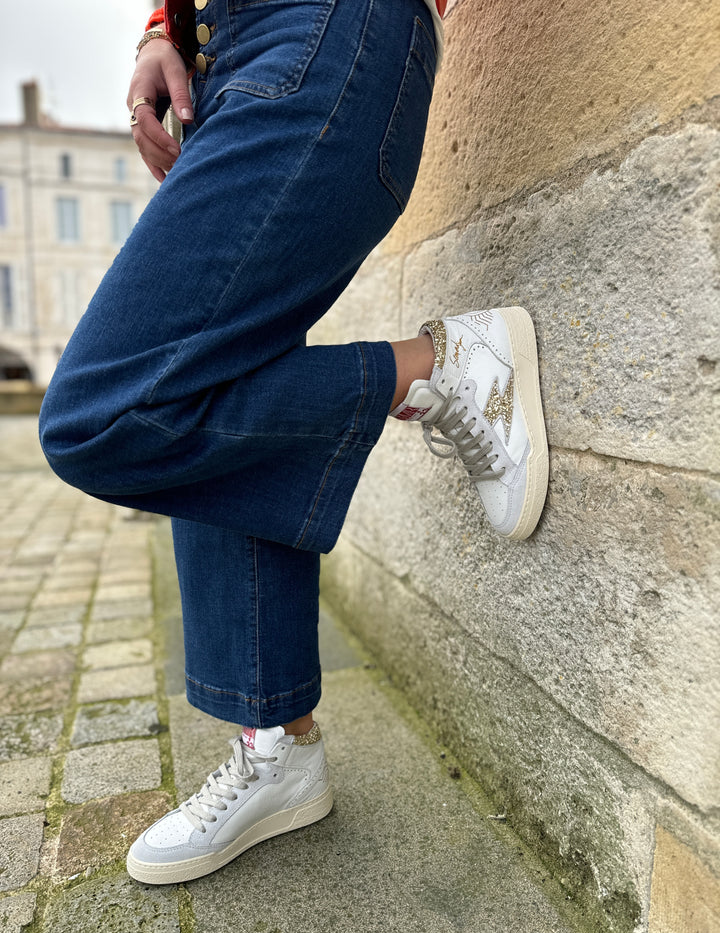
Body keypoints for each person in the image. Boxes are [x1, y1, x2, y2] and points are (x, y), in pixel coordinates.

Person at [39, 0, 548, 885]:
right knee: (206, 388)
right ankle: (278, 748)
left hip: (323, 31)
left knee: (97, 415)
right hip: (220, 53)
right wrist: (163, 31)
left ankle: (438, 368)